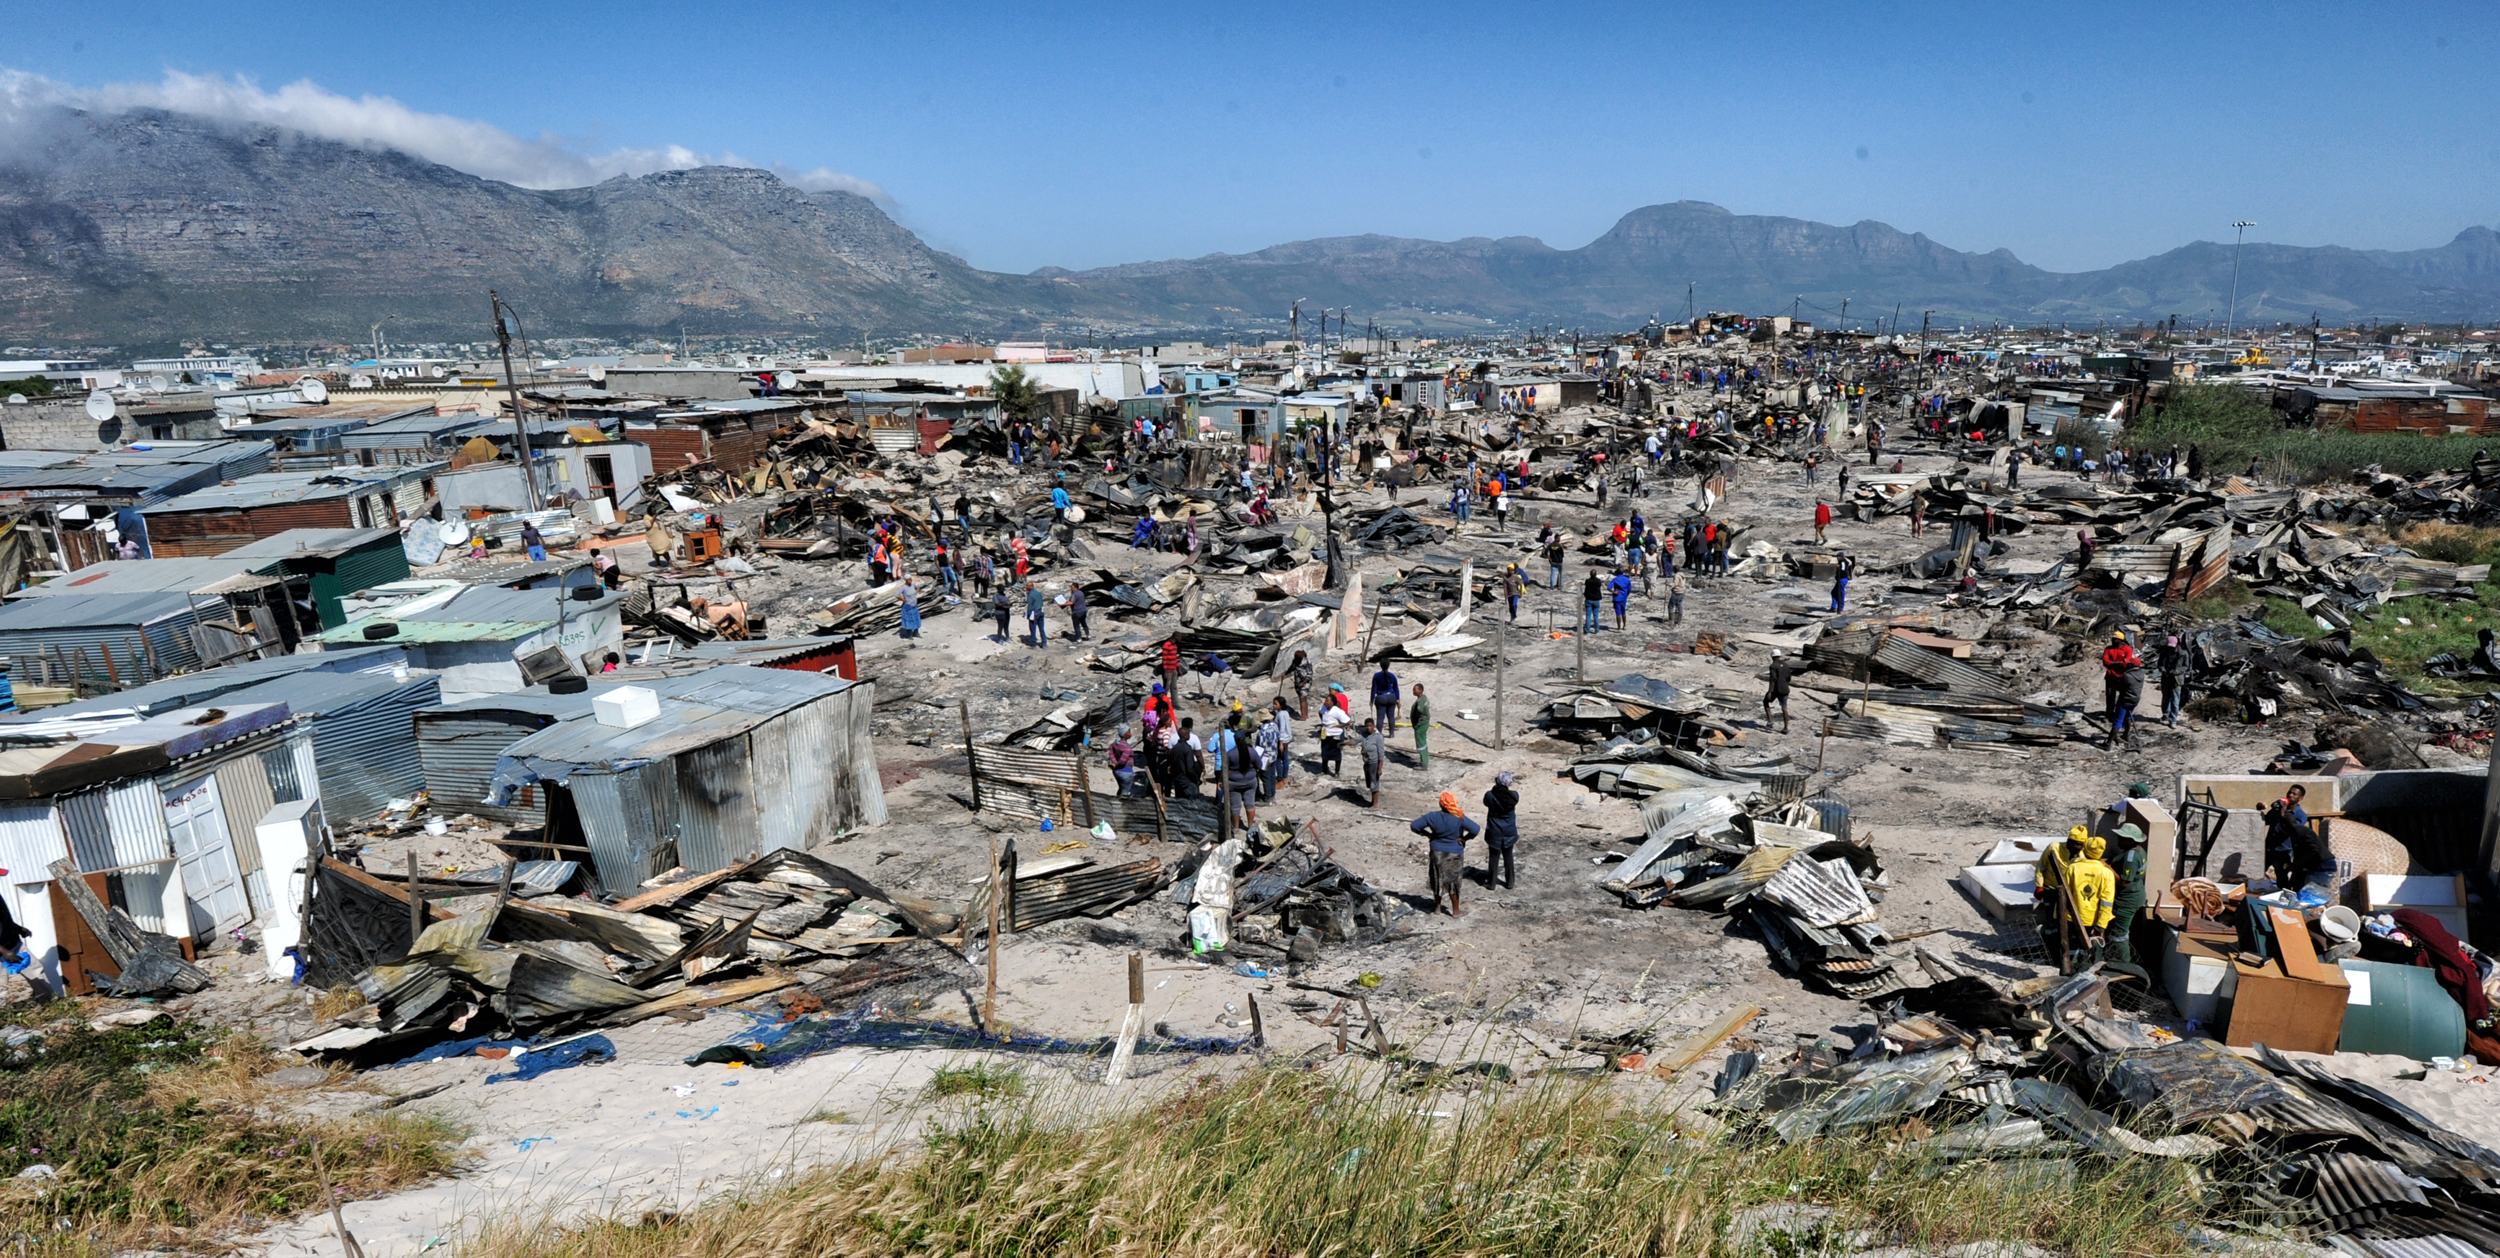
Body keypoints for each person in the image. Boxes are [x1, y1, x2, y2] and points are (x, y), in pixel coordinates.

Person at [2035, 827, 2115, 971]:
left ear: (2085, 847)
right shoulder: (2106, 874)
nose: (2077, 847)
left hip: (2072, 916)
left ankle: (2068, 969)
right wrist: (2101, 926)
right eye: (2074, 843)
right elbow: (2106, 902)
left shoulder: (2074, 868)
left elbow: (2065, 892)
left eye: (2080, 844)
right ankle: (2081, 970)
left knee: (2070, 945)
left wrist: (2058, 914)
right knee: (2086, 946)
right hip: (2092, 919)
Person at [1412, 791, 1481, 917]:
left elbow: (1414, 826)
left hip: (1437, 852)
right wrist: (1465, 839)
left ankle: (1437, 908)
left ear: (1441, 804)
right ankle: (1456, 911)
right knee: (1453, 882)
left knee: (1437, 879)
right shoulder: (1459, 817)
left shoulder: (1432, 816)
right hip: (1454, 853)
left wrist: (1428, 835)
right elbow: (1475, 829)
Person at [2102, 822, 2150, 977]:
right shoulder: (2138, 851)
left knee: (2119, 933)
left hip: (2127, 900)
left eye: (2122, 838)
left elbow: (2124, 881)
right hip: (2134, 896)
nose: (2118, 840)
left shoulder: (2131, 856)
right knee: (2118, 931)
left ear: (2130, 840)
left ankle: (2125, 967)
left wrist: (2107, 868)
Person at [2262, 784, 2328, 888]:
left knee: (2281, 878)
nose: (2290, 795)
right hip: (2268, 848)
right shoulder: (2278, 810)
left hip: (2283, 851)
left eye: (2294, 794)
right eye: (2289, 792)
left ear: (2300, 798)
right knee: (2258, 874)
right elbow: (2265, 821)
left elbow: (2291, 830)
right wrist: (2262, 810)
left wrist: (2283, 813)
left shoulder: (2300, 815)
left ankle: (2283, 899)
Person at [2102, 631, 2143, 748]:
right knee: (2109, 696)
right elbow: (2106, 662)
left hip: (2123, 678)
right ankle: (2109, 714)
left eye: (2115, 639)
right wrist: (2118, 663)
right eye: (2112, 638)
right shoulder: (2108, 649)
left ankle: (2118, 723)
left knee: (2122, 701)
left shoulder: (2127, 650)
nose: (2113, 640)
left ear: (2120, 640)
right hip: (2111, 676)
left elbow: (2127, 663)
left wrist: (2114, 663)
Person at [1480, 772, 1521, 889]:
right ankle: (1510, 882)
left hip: (1494, 831)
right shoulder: (1514, 796)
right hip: (1509, 831)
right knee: (1508, 857)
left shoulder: (1490, 796)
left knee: (1494, 857)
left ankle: (1491, 883)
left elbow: (1486, 802)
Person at [2156, 634, 2188, 725]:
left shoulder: (2183, 653)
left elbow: (2186, 667)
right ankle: (2165, 714)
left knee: (2175, 700)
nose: (2171, 649)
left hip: (2177, 680)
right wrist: (2163, 670)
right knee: (2165, 697)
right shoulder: (2164, 652)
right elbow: (2160, 664)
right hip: (2166, 678)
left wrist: (2177, 671)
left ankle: (2173, 719)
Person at [1320, 688, 1350, 776]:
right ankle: (1324, 770)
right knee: (1324, 752)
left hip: (1336, 734)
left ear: (1333, 702)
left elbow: (1348, 722)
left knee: (1336, 753)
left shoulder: (1337, 711)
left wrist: (1339, 726)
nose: (1326, 702)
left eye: (1328, 701)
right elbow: (1320, 712)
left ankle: (1337, 772)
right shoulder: (1324, 708)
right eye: (1325, 700)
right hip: (1326, 733)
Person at [1357, 718, 1387, 807]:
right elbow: (1355, 740)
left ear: (1373, 726)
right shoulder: (1364, 735)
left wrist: (1380, 768)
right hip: (1367, 762)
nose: (1368, 728)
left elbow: (1381, 753)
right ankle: (1372, 802)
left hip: (1374, 763)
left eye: (1370, 726)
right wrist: (1345, 743)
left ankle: (1375, 804)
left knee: (1374, 783)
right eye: (1367, 726)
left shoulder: (1378, 737)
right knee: (1370, 783)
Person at [1763, 649, 1793, 734]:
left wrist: (1770, 691)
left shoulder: (1773, 666)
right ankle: (1786, 728)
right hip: (1785, 689)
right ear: (1779, 656)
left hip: (1776, 690)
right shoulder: (1786, 665)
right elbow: (1789, 678)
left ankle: (1770, 722)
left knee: (1766, 702)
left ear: (1772, 656)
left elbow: (1773, 679)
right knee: (1784, 708)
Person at [1370, 664, 1401, 736]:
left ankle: (1379, 734)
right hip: (1391, 697)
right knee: (1391, 716)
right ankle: (1392, 734)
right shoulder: (1392, 675)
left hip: (1381, 698)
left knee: (1380, 718)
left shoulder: (1376, 676)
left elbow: (1374, 689)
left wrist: (1371, 700)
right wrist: (1398, 699)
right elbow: (1396, 688)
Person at [1108, 728, 1139, 797]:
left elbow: (1111, 753)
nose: (1130, 734)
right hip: (1126, 772)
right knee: (1125, 791)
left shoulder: (1116, 743)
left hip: (1116, 771)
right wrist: (1117, 764)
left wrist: (1114, 762)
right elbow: (1122, 761)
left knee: (1121, 788)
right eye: (1129, 732)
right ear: (1124, 734)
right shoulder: (1127, 748)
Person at [1409, 682, 1432, 770]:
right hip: (1423, 724)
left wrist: (1417, 723)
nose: (1414, 691)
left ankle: (1423, 764)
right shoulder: (1423, 698)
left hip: (1421, 725)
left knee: (1421, 744)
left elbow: (1420, 711)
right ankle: (1424, 761)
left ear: (1421, 690)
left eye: (1415, 689)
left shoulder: (1420, 701)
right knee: (1423, 743)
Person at [1289, 649, 1315, 718]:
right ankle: (1304, 714)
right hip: (1297, 682)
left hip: (1306, 682)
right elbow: (1292, 667)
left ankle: (1304, 715)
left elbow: (1309, 674)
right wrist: (1285, 673)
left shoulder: (1307, 662)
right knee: (1301, 698)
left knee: (1303, 697)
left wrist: (1303, 683)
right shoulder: (1295, 661)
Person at [1023, 580, 1047, 648]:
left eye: (1027, 586)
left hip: (1034, 613)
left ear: (1030, 586)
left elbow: (1030, 606)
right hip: (1040, 611)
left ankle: (1033, 644)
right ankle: (1044, 642)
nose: (1026, 587)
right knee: (1041, 628)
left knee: (1033, 629)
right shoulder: (1038, 593)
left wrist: (1027, 615)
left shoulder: (1030, 594)